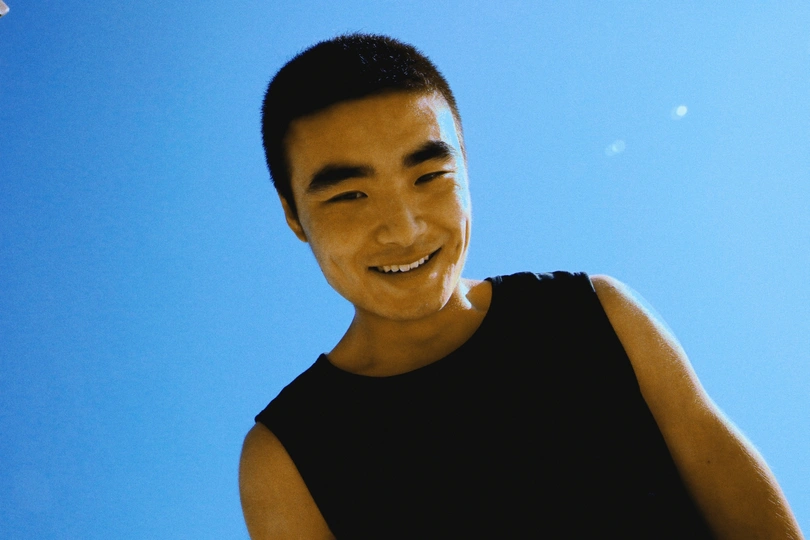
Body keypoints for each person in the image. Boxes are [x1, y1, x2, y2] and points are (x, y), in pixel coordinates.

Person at [239, 34, 803, 539]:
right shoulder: (285, 457)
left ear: (466, 170)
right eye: (349, 195)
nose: (404, 230)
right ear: (293, 215)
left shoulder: (596, 315)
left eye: (429, 176)